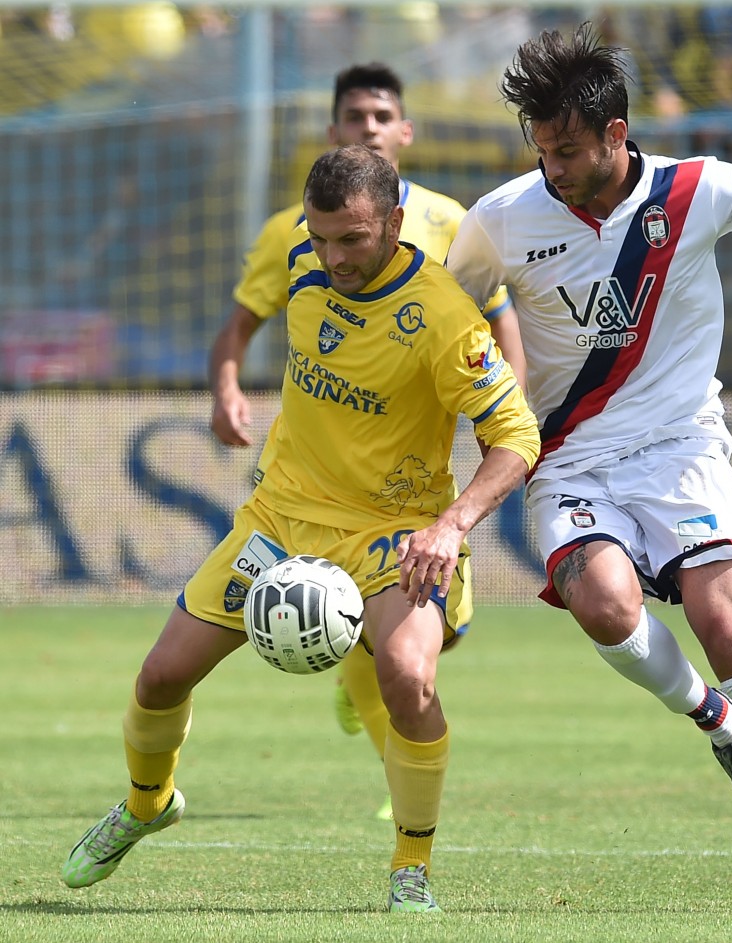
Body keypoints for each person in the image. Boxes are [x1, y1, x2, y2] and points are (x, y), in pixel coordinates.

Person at [445, 23, 732, 917]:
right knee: (603, 603)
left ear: (616, 135)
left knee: (728, 625)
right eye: (539, 150)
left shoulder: (703, 189)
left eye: (566, 150)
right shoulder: (501, 217)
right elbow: (443, 314)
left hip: (683, 447)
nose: (551, 169)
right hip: (568, 455)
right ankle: (712, 719)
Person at [61, 144, 540, 914]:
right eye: (320, 238)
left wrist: (451, 525)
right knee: (159, 677)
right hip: (282, 518)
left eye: (351, 238)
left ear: (392, 220)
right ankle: (148, 804)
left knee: (409, 678)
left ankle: (410, 867)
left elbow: (518, 436)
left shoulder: (444, 314)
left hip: (395, 529)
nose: (332, 256)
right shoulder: (298, 255)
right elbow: (245, 320)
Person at [209, 62, 524, 821]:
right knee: (383, 648)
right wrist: (226, 383)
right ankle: (373, 715)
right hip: (310, 481)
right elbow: (246, 321)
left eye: (382, 116)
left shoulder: (453, 223)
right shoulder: (292, 236)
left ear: (405, 131)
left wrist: (514, 409)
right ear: (334, 133)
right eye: (356, 117)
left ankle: (359, 676)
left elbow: (496, 320)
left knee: (414, 653)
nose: (370, 128)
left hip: (405, 484)